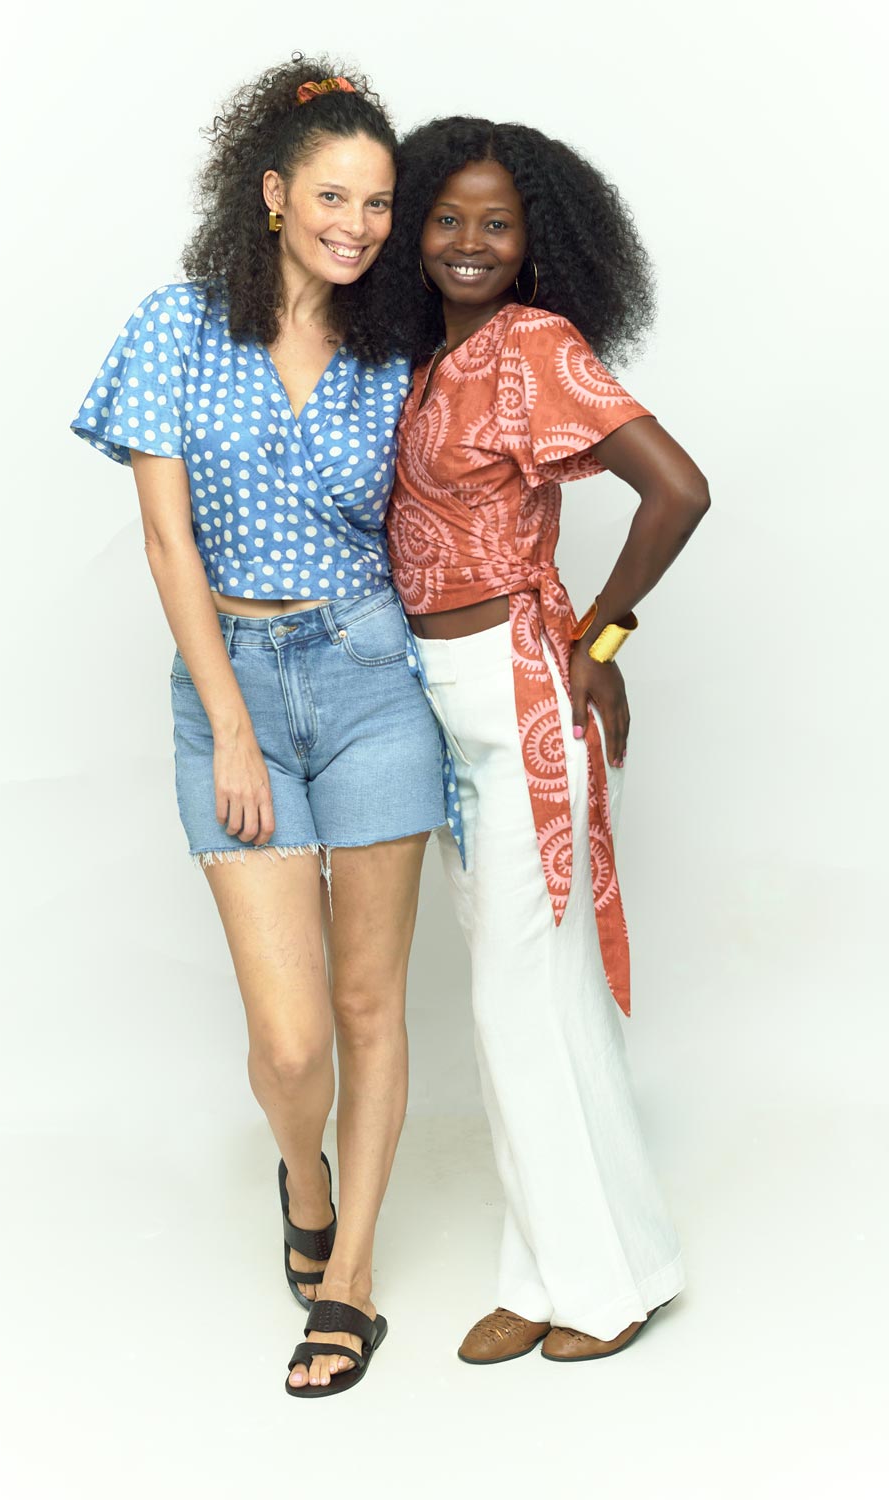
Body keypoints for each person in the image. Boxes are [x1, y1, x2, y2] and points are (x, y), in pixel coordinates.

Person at [71, 59, 448, 1398]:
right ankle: (306, 1181)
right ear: (276, 193)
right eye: (334, 195)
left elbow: (450, 517)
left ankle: (349, 1282)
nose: (358, 224)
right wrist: (229, 725)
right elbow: (167, 543)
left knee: (367, 1003)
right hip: (230, 682)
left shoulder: (396, 351)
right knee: (290, 1042)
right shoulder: (175, 327)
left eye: (380, 202)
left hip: (368, 680)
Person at [380, 116, 710, 1364]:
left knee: (516, 997)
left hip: (516, 694)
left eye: (495, 223)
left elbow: (677, 487)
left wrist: (598, 644)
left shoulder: (530, 348)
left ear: (536, 246)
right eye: (447, 217)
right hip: (441, 696)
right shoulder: (428, 357)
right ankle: (601, 1262)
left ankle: (588, 1290)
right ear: (416, 225)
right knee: (544, 996)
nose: (468, 241)